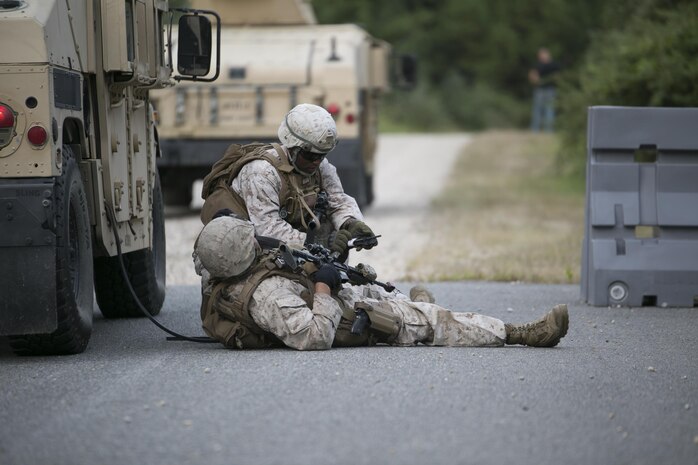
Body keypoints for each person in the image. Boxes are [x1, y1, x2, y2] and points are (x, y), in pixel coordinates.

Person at [193, 216, 570, 351]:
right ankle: (520, 333)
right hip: (341, 320)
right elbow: (312, 338)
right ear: (243, 254)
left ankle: (415, 301)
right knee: (424, 322)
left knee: (378, 287)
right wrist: (323, 287)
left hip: (327, 297)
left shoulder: (222, 266)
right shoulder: (268, 297)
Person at [200, 103, 374, 259]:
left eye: (322, 155)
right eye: (310, 156)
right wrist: (318, 243)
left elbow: (338, 200)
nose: (316, 161)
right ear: (292, 147)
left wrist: (351, 223)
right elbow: (267, 228)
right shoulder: (261, 172)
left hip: (292, 249)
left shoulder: (321, 167)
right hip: (245, 253)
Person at [528, 48, 560, 132]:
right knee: (537, 110)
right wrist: (536, 80)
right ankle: (535, 130)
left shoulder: (554, 65)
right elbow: (532, 76)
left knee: (549, 111)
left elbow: (558, 76)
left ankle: (548, 130)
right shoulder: (537, 65)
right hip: (540, 90)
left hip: (550, 90)